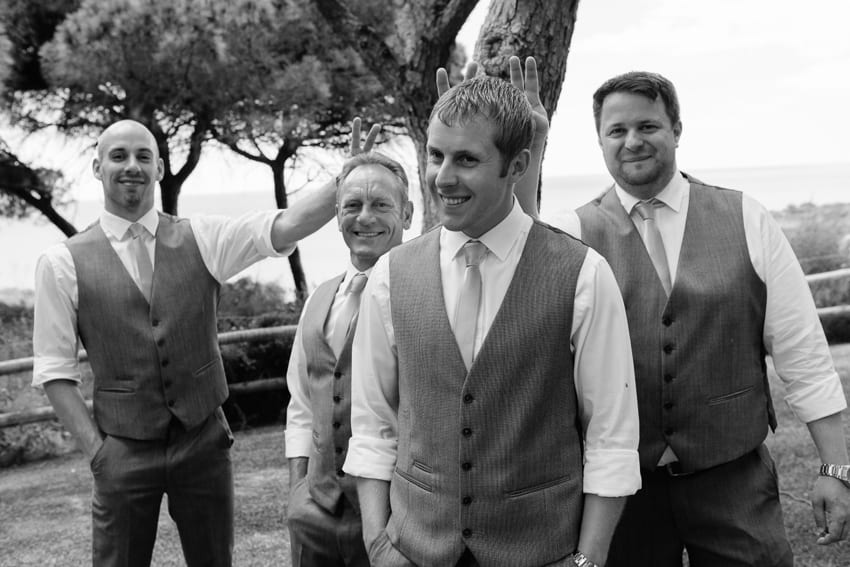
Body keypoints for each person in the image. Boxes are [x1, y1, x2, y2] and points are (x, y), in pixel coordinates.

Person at [537, 71, 850, 565]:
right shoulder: (570, 234)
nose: (632, 141)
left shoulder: (746, 217)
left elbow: (804, 353)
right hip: (620, 493)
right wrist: (530, 152)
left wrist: (835, 468)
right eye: (617, 130)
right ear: (599, 141)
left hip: (734, 479)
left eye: (648, 126)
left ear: (677, 129)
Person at [31, 118, 371, 567]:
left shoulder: (202, 238)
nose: (132, 165)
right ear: (97, 167)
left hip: (202, 443)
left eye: (143, 156)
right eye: (118, 156)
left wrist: (343, 180)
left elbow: (284, 226)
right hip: (122, 449)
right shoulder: (61, 263)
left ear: (159, 168)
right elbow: (54, 371)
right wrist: (98, 454)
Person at [343, 62, 641, 567]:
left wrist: (587, 562)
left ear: (517, 164)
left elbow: (611, 438)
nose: (443, 177)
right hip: (414, 552)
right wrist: (378, 545)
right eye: (435, 155)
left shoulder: (584, 275)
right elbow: (372, 426)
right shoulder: (391, 275)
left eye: (466, 159)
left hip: (542, 551)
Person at [284, 147, 413, 566]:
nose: (365, 217)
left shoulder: (425, 297)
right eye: (352, 205)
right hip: (315, 515)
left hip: (397, 520)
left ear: (407, 214)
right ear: (337, 214)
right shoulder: (319, 299)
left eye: (381, 205)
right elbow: (302, 403)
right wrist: (298, 491)